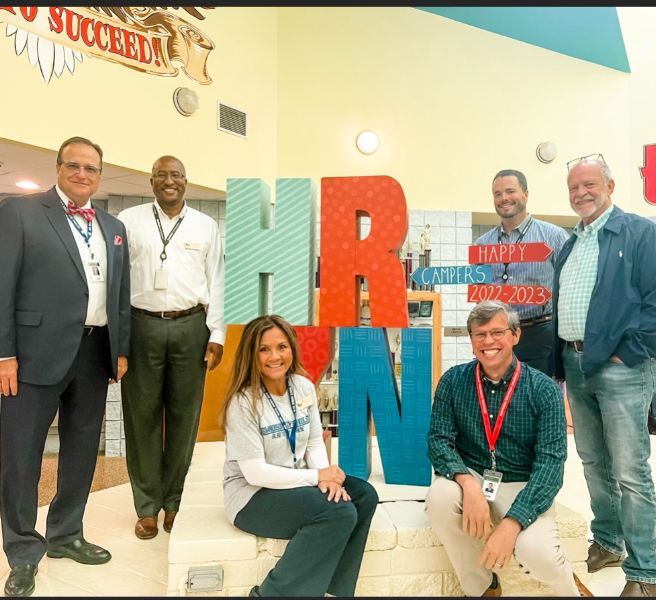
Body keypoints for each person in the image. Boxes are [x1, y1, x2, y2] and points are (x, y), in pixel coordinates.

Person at [0, 136, 131, 597]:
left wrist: (121, 348)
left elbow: (119, 295)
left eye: (91, 168)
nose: (82, 173)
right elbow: (2, 285)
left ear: (99, 174)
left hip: (95, 354)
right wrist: (4, 354)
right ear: (58, 168)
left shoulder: (113, 225)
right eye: (73, 165)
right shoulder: (20, 212)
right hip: (32, 356)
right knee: (21, 458)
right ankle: (21, 552)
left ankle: (66, 534)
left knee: (81, 452)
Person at [425, 300, 591, 597]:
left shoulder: (544, 390)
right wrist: (467, 483)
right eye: (480, 334)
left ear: (515, 335)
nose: (488, 341)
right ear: (472, 340)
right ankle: (482, 588)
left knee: (536, 553)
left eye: (497, 332)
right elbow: (438, 441)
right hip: (474, 477)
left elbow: (551, 467)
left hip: (523, 483)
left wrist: (512, 524)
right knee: (440, 497)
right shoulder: (453, 381)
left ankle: (571, 587)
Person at [553, 154, 656, 597]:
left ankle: (646, 572)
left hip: (621, 368)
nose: (581, 193)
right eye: (574, 187)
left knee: (631, 471)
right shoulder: (571, 242)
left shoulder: (639, 233)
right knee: (594, 463)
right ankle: (609, 541)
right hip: (577, 365)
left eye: (589, 184)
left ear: (610, 186)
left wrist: (629, 352)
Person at [221, 315, 378, 597]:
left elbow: (314, 442)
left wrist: (327, 479)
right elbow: (255, 473)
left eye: (281, 346)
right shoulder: (243, 403)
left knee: (364, 495)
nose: (274, 356)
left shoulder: (302, 387)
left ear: (292, 347)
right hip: (253, 495)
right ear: (251, 354)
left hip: (294, 481)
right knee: (338, 512)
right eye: (264, 349)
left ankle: (334, 590)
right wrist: (317, 476)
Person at [117, 155, 225, 540]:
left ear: (185, 181)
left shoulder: (206, 226)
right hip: (141, 325)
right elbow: (117, 282)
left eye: (176, 175)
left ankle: (174, 501)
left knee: (184, 419)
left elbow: (218, 282)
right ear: (151, 181)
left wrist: (217, 335)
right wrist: (119, 340)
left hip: (191, 326)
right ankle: (146, 507)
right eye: (161, 175)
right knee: (141, 418)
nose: (169, 181)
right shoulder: (128, 221)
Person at [475, 169, 570, 376]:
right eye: (497, 194)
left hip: (539, 335)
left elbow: (569, 289)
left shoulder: (554, 237)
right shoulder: (482, 245)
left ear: (525, 194)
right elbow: (478, 295)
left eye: (510, 191)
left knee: (536, 400)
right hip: (496, 337)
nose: (504, 198)